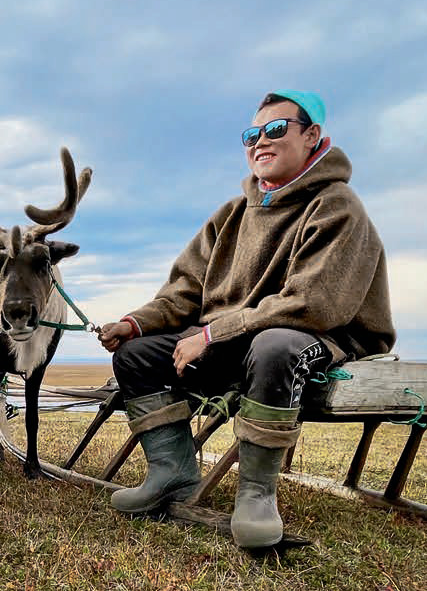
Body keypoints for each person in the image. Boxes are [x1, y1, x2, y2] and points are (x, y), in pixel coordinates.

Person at [97, 90, 395, 549]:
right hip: (232, 338)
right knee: (136, 356)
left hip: (319, 338)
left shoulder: (338, 206)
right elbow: (185, 289)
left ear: (312, 136)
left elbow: (314, 304)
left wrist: (212, 333)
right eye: (251, 135)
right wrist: (135, 323)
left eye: (276, 129)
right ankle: (172, 473)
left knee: (275, 345)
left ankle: (257, 495)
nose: (261, 141)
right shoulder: (232, 214)